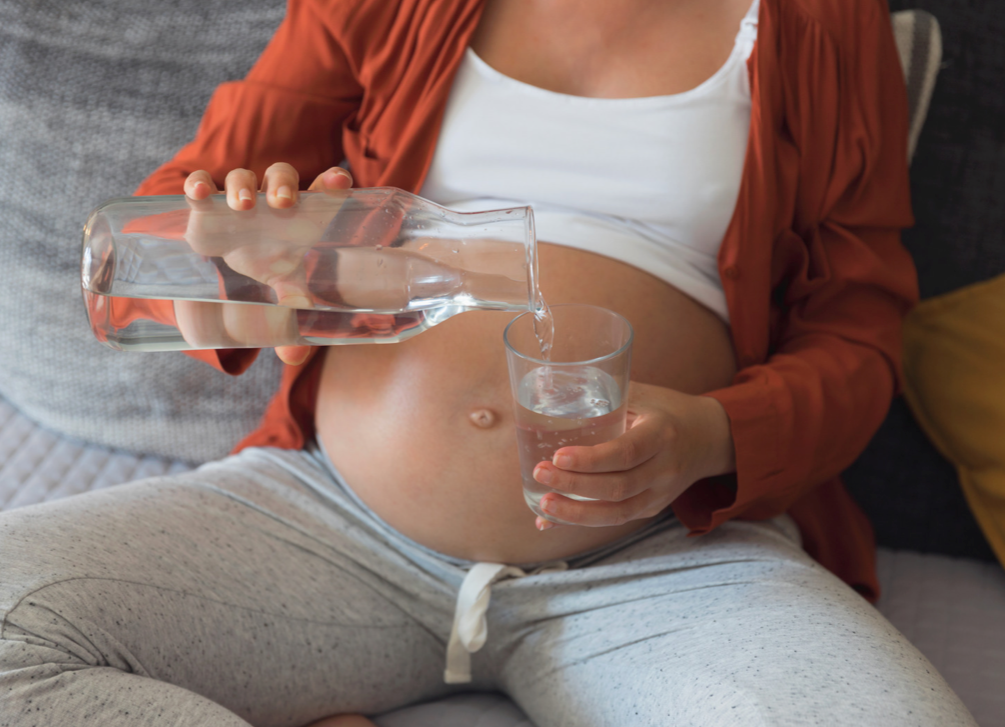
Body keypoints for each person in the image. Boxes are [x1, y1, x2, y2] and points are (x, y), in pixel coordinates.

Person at [0, 0, 980, 725]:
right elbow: (181, 213)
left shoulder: (821, 25)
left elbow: (857, 342)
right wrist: (236, 251)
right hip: (336, 522)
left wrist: (702, 435)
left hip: (661, 556)